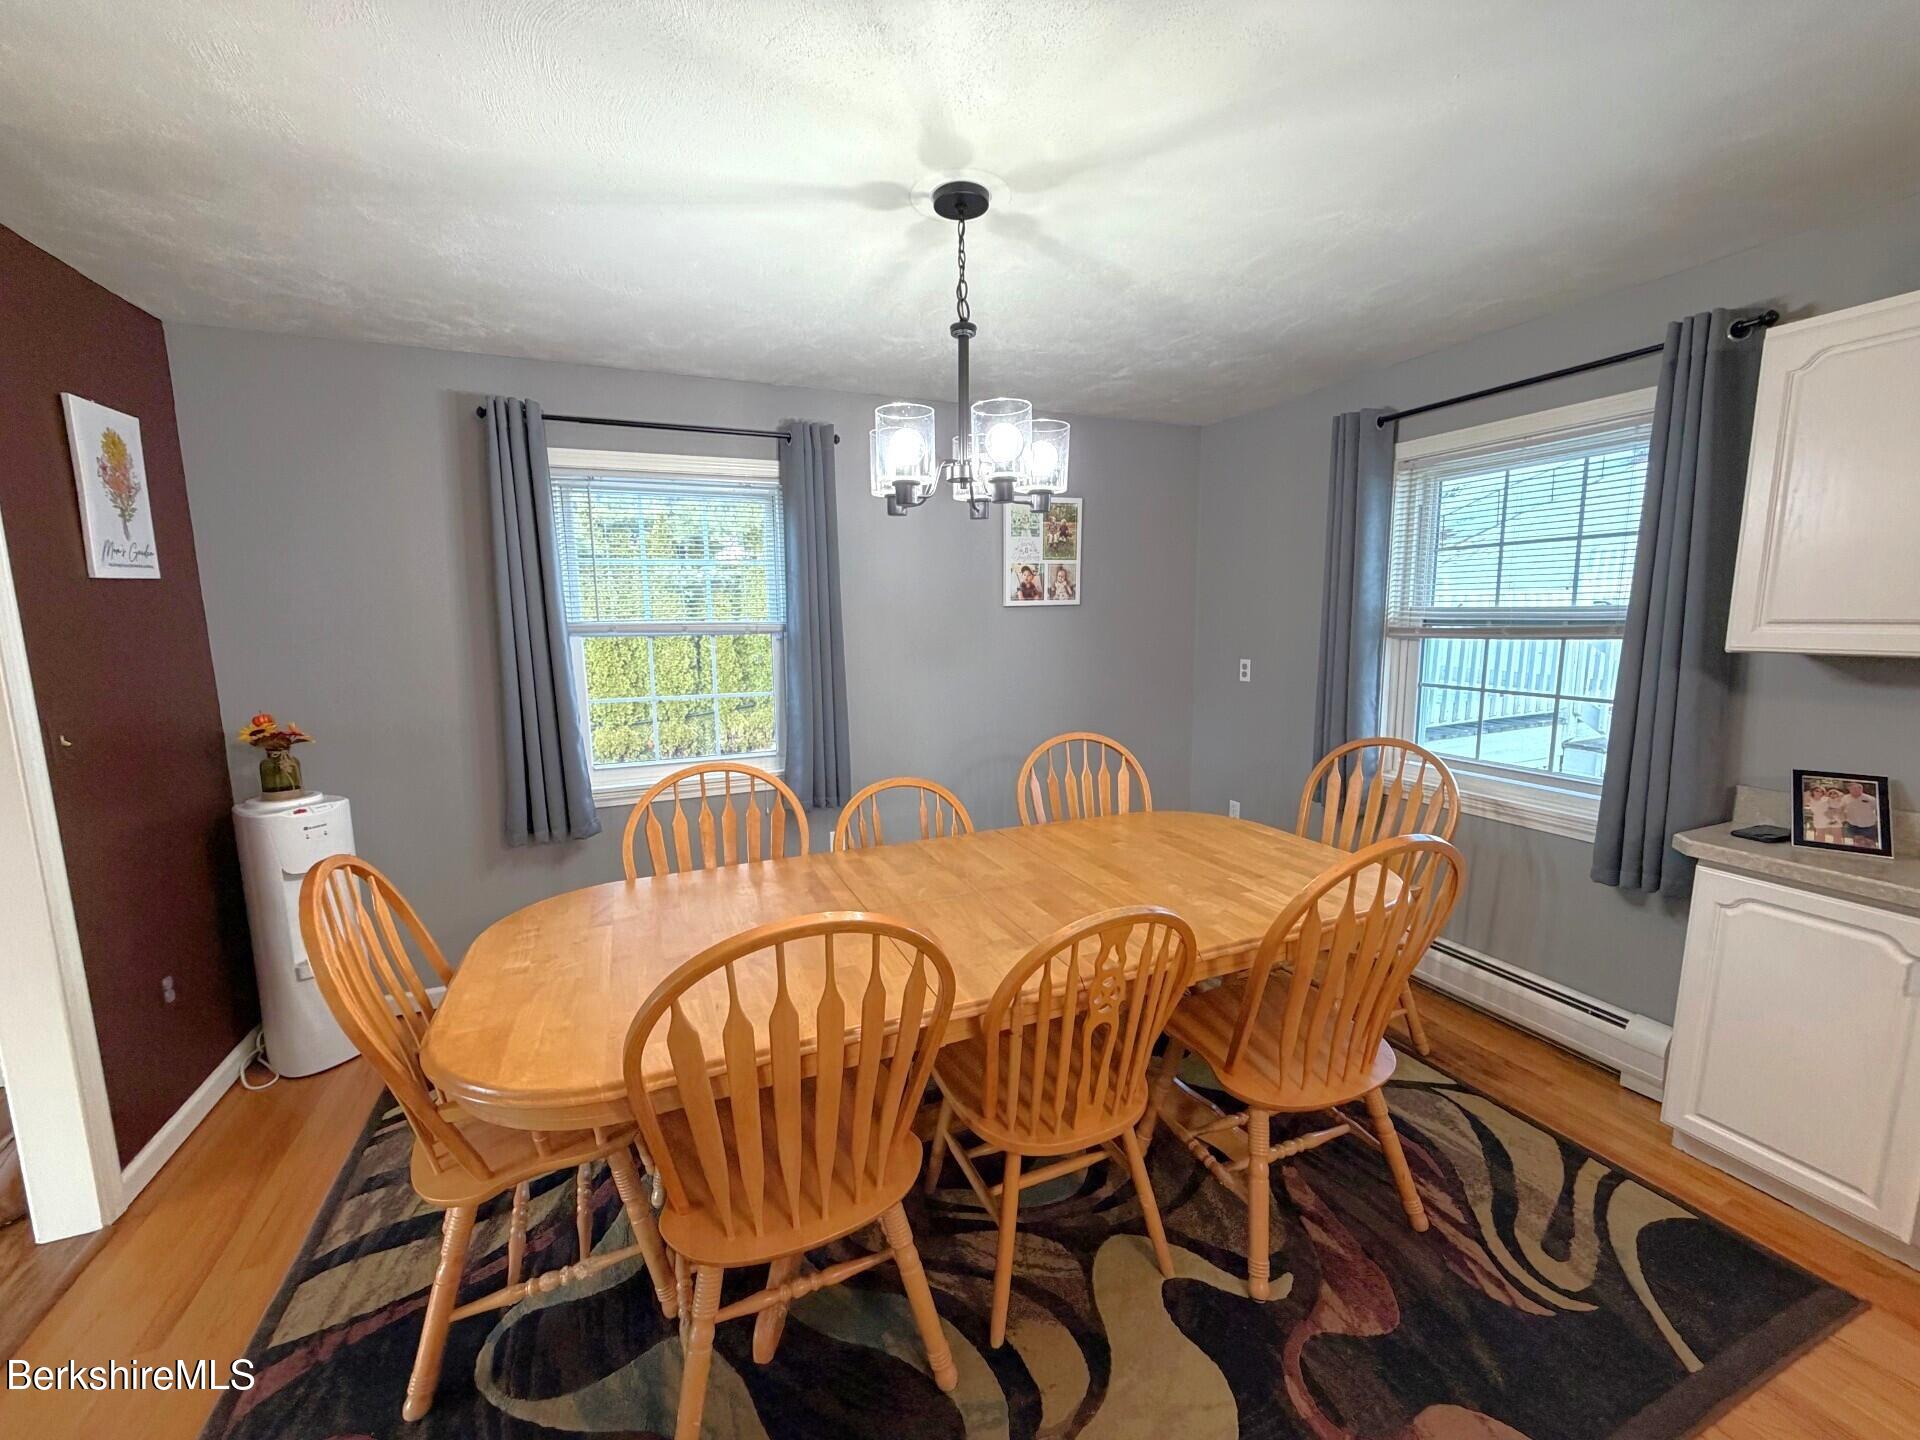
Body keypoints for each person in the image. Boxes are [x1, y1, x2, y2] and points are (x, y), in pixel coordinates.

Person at [1843, 781, 1881, 848]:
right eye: (1852, 788)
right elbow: (1842, 808)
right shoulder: (1845, 798)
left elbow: (1878, 810)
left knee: (1870, 843)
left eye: (1856, 788)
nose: (1854, 790)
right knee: (1857, 843)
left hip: (1868, 825)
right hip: (1853, 824)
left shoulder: (1870, 799)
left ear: (1861, 789)